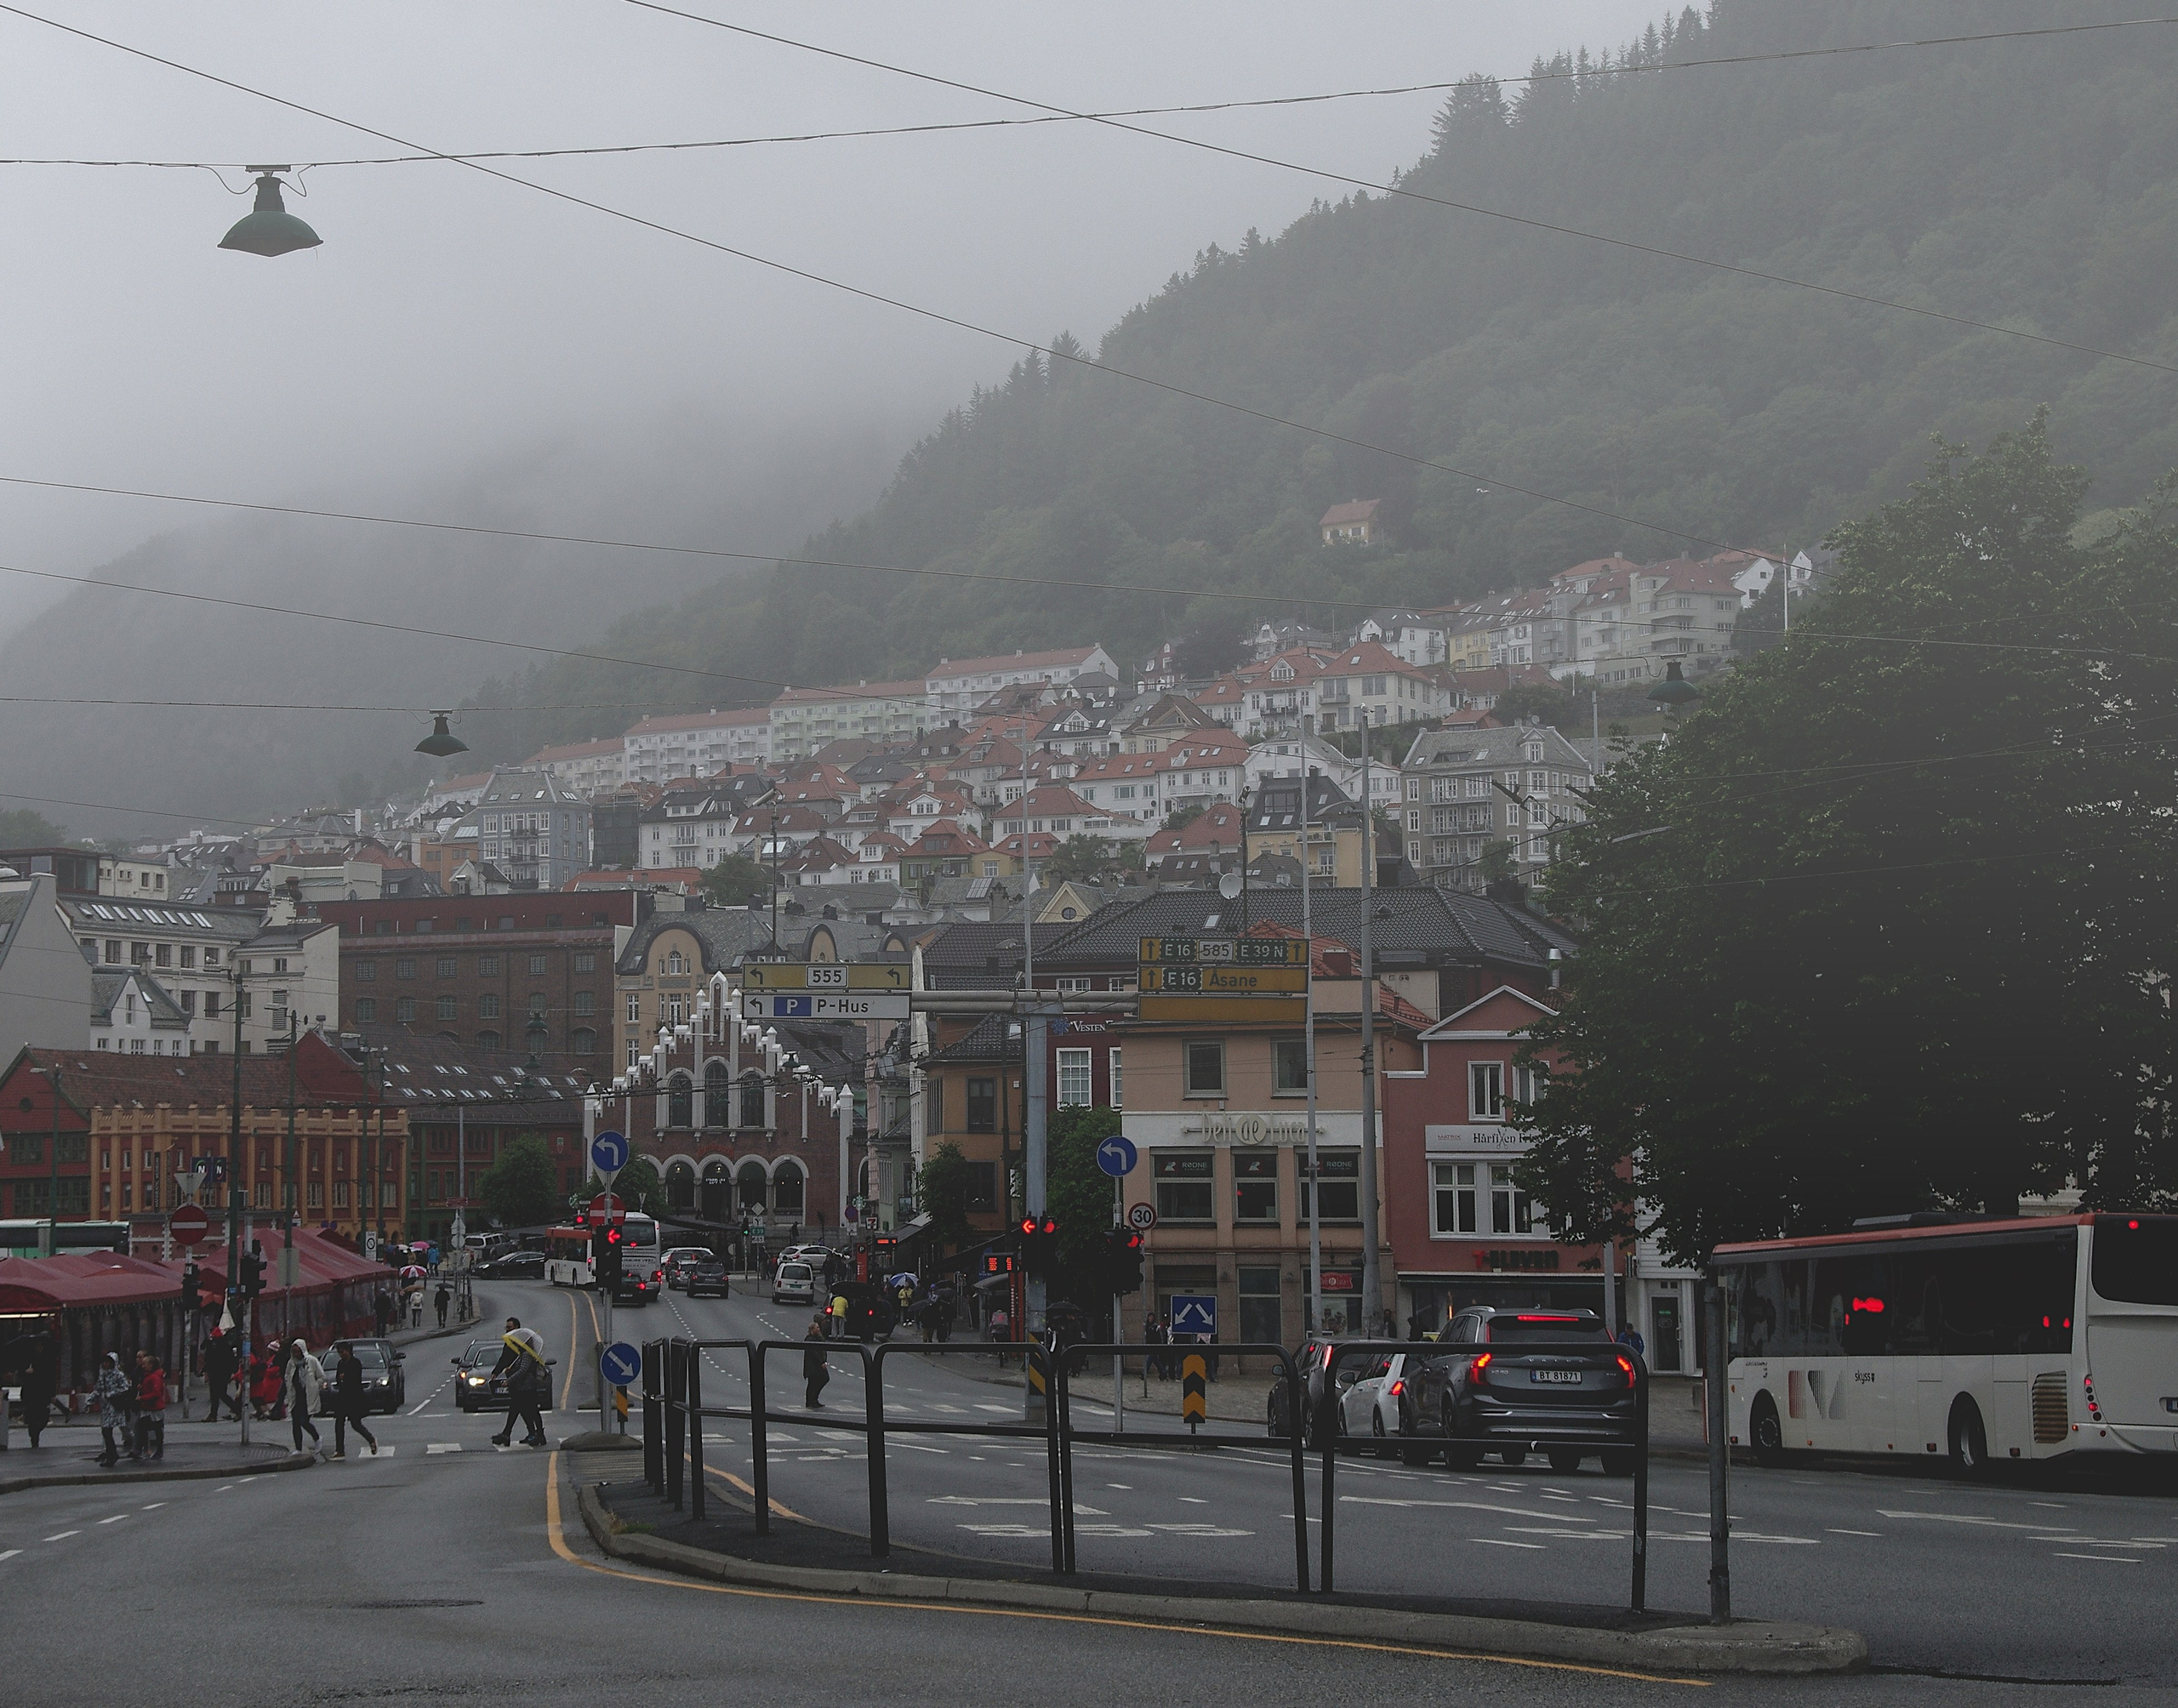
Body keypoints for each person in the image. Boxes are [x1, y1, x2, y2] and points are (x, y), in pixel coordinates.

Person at [489, 1317, 549, 1448]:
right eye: (507, 1328)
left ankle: (537, 1435)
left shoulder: (527, 1353)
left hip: (526, 1387)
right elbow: (505, 1359)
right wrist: (499, 1371)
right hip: (520, 1386)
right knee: (519, 1409)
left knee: (528, 1410)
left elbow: (523, 1370)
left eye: (510, 1328)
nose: (507, 1330)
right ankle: (517, 1434)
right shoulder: (518, 1349)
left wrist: (508, 1380)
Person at [4, 1328, 58, 1448]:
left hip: (42, 1393)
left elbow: (50, 1378)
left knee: (43, 1416)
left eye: (41, 1347)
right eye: (38, 1347)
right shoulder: (27, 1360)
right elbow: (20, 1373)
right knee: (32, 1417)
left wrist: (52, 1393)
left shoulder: (46, 1360)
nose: (40, 1349)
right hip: (30, 1392)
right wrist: (26, 1371)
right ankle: (34, 1439)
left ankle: (36, 1432)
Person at [330, 1341, 379, 1459]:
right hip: (343, 1398)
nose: (341, 1355)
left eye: (343, 1352)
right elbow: (338, 1379)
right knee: (339, 1423)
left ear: (348, 1351)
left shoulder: (355, 1363)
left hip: (354, 1398)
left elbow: (355, 1379)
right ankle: (340, 1450)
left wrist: (344, 1377)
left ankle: (371, 1439)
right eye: (339, 1353)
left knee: (355, 1424)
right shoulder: (340, 1363)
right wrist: (340, 1379)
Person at [94, 1352, 135, 1466]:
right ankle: (111, 1454)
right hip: (106, 1408)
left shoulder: (118, 1375)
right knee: (106, 1431)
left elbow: (125, 1387)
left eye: (108, 1362)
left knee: (109, 1430)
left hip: (115, 1407)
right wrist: (90, 1400)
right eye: (104, 1362)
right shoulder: (103, 1375)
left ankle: (112, 1454)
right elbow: (98, 1389)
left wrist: (111, 1394)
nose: (106, 1364)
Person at [286, 1339, 324, 1457]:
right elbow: (287, 1378)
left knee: (304, 1421)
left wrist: (315, 1386)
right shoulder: (291, 1364)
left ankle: (317, 1438)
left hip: (308, 1396)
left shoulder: (311, 1361)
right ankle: (298, 1447)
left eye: (298, 1352)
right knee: (295, 1423)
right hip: (296, 1397)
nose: (297, 1354)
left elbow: (321, 1376)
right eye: (294, 1352)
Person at [203, 1328, 242, 1422]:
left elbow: (209, 1360)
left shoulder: (214, 1346)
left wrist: (205, 1369)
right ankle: (213, 1414)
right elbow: (231, 1361)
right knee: (217, 1394)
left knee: (219, 1394)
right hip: (223, 1373)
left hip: (216, 1373)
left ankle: (236, 1410)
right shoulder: (226, 1345)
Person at [134, 1352, 168, 1460]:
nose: (143, 1366)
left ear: (151, 1365)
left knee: (152, 1428)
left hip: (154, 1408)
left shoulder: (154, 1377)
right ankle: (144, 1449)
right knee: (143, 1427)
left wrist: (142, 1398)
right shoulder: (148, 1376)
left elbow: (156, 1393)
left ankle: (154, 1450)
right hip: (148, 1408)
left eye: (145, 1364)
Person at [802, 1313, 830, 1409]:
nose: (819, 1329)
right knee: (813, 1383)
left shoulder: (819, 1336)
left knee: (822, 1379)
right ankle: (810, 1401)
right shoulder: (810, 1339)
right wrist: (821, 1362)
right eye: (817, 1328)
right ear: (812, 1329)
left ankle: (814, 1399)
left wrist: (824, 1360)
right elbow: (814, 1353)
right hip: (813, 1365)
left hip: (818, 1364)